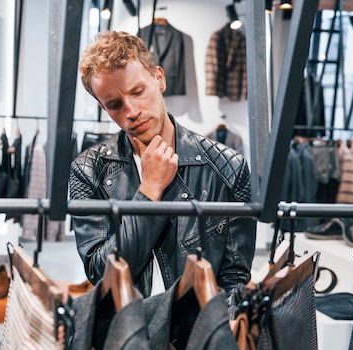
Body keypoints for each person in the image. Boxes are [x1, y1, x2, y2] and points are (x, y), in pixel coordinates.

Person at [68, 30, 256, 317]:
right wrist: (149, 191)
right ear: (102, 107)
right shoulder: (88, 170)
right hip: (126, 334)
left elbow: (234, 277)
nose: (131, 111)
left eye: (137, 91)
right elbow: (100, 272)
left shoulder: (227, 167)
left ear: (159, 78)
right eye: (115, 105)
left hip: (198, 337)